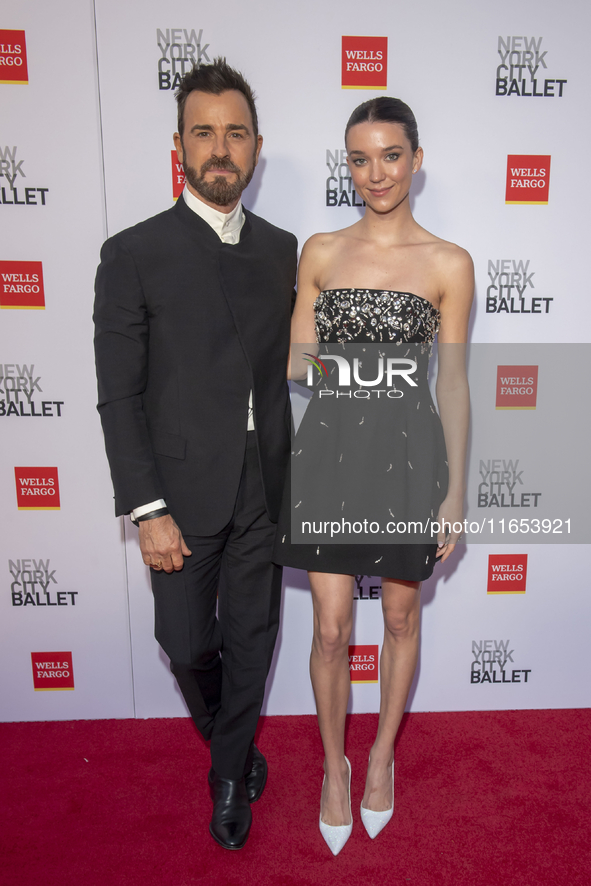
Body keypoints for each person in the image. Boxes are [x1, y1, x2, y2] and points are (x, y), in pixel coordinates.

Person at [94, 58, 297, 851]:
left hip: (264, 486)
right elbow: (118, 394)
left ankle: (226, 779)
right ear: (178, 144)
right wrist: (146, 508)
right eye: (204, 132)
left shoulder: (282, 250)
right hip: (176, 493)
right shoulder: (133, 251)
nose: (221, 149)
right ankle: (232, 740)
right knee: (185, 644)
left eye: (235, 133)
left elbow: (304, 356)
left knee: (254, 636)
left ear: (255, 148)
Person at [274, 97, 473, 854]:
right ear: (347, 165)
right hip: (327, 454)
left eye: (390, 155)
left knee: (397, 620)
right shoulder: (321, 250)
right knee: (329, 628)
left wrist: (453, 491)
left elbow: (449, 384)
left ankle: (381, 758)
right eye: (359, 158)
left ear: (415, 160)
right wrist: (361, 369)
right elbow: (296, 362)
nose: (376, 172)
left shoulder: (448, 262)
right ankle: (334, 767)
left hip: (408, 458)